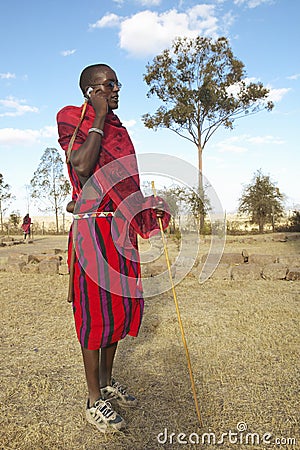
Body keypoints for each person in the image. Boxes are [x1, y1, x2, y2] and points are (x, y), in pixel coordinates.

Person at [57, 63, 169, 433]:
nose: (117, 89)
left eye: (118, 83)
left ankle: (106, 382)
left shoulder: (120, 132)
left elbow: (122, 185)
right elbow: (85, 166)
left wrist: (146, 206)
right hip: (92, 231)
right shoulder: (71, 118)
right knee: (94, 313)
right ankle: (93, 400)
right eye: (109, 85)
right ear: (90, 90)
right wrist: (99, 117)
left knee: (118, 310)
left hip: (119, 230)